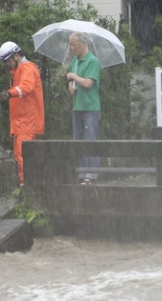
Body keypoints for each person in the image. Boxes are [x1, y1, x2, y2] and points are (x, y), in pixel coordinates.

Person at [0, 41, 45, 186]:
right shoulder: (21, 70)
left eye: (8, 61)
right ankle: (27, 186)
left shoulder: (26, 68)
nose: (7, 64)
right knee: (22, 156)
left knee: (23, 156)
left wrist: (9, 93)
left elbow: (26, 87)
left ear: (16, 56)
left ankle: (27, 187)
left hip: (26, 121)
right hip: (22, 122)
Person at [66, 31, 102, 185]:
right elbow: (72, 84)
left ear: (82, 44)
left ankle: (91, 174)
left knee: (90, 139)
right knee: (78, 140)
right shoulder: (74, 62)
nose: (72, 47)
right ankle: (82, 173)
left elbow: (88, 83)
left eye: (73, 44)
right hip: (77, 107)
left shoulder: (92, 61)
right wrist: (70, 86)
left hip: (90, 107)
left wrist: (73, 77)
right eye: (70, 44)